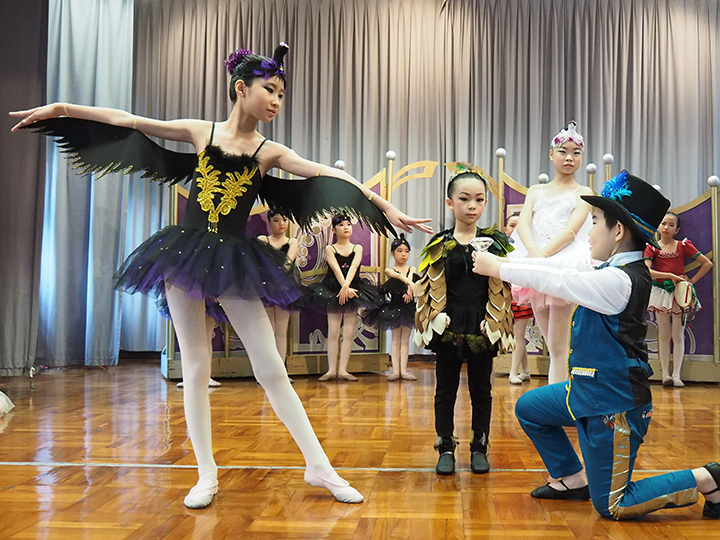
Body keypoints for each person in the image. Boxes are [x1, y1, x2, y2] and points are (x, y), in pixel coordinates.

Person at [11, 43, 432, 508]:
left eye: (282, 94)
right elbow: (129, 120)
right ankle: (206, 473)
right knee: (195, 366)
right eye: (269, 90)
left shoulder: (270, 151)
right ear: (241, 88)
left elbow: (329, 177)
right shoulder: (201, 131)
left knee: (271, 368)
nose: (276, 100)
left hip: (234, 260)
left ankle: (319, 466)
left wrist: (385, 205)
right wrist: (62, 109)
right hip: (184, 254)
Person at [472, 171, 720, 520]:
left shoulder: (619, 279)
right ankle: (573, 480)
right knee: (530, 408)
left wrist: (498, 268)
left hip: (614, 407)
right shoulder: (611, 267)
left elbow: (559, 280)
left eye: (594, 222)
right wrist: (505, 263)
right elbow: (555, 267)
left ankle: (708, 478)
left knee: (613, 505)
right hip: (586, 393)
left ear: (617, 232)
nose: (588, 233)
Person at [414, 165, 513, 476]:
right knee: (445, 390)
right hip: (449, 324)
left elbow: (502, 286)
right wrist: (436, 315)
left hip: (482, 325)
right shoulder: (439, 244)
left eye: (479, 199)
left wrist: (492, 318)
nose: (472, 206)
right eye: (464, 199)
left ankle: (479, 448)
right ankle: (445, 447)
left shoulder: (495, 243)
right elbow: (429, 286)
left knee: (482, 391)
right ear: (450, 202)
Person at [510, 122, 593, 384]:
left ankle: (560, 397)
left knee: (558, 345)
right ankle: (559, 393)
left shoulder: (583, 192)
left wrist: (543, 256)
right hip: (537, 263)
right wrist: (534, 254)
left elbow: (571, 231)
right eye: (563, 151)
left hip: (563, 266)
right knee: (550, 341)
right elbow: (523, 223)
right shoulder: (536, 191)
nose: (569, 157)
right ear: (551, 154)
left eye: (576, 153)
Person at [644, 212, 713, 387]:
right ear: (658, 226)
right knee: (664, 335)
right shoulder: (652, 247)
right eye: (663, 223)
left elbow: (707, 263)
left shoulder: (682, 245)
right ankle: (665, 374)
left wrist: (691, 281)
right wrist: (668, 275)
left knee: (678, 335)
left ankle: (676, 374)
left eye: (671, 225)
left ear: (677, 229)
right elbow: (647, 271)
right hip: (661, 293)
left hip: (680, 294)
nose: (666, 227)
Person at [312, 213, 381, 381]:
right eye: (341, 225)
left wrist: (347, 287)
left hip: (352, 291)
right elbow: (336, 268)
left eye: (348, 224)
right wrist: (344, 287)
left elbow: (354, 266)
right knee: (333, 332)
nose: (346, 227)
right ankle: (331, 370)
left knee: (349, 332)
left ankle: (343, 370)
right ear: (334, 230)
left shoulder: (357, 248)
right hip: (333, 291)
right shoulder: (330, 249)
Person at [362, 234, 418, 381]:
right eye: (399, 251)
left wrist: (410, 289)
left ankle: (404, 371)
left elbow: (413, 281)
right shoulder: (389, 270)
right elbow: (399, 277)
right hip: (394, 308)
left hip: (408, 308)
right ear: (392, 253)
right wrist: (409, 284)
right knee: (395, 339)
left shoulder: (412, 268)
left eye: (406, 251)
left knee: (405, 340)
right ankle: (395, 371)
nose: (403, 254)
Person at [257, 208, 300, 364]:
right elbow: (262, 262)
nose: (281, 224)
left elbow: (288, 262)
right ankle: (269, 368)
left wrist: (278, 279)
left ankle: (281, 369)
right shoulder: (263, 240)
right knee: (269, 331)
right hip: (267, 287)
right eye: (276, 220)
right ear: (268, 222)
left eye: (285, 220)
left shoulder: (292, 241)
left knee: (281, 331)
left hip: (285, 289)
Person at [505, 213, 532, 384]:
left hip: (521, 295)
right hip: (506, 295)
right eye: (512, 225)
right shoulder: (502, 248)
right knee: (517, 334)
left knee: (518, 335)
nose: (515, 229)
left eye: (518, 225)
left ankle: (513, 372)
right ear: (505, 229)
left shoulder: (528, 249)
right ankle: (526, 370)